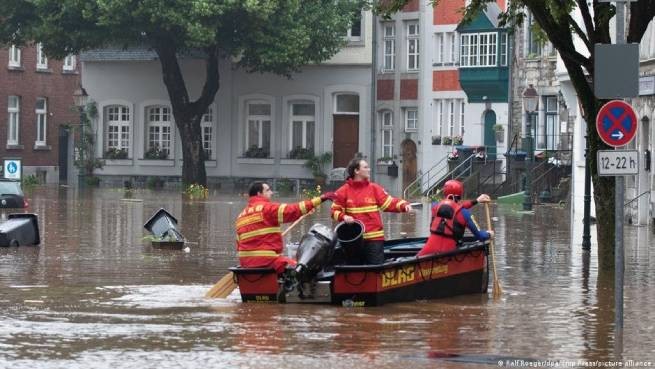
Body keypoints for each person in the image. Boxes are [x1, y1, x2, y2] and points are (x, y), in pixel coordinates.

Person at [236, 181, 335, 274]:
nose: (271, 192)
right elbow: (293, 210)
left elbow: (239, 243)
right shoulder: (267, 208)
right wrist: (320, 199)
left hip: (245, 263)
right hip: (266, 261)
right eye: (268, 190)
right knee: (301, 269)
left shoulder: (240, 216)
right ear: (259, 193)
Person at [331, 158, 412, 265]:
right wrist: (344, 217)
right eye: (365, 167)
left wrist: (403, 205)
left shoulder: (374, 188)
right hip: (354, 242)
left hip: (374, 240)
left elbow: (388, 203)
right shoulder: (343, 191)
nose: (369, 169)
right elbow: (334, 212)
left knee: (375, 271)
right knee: (355, 270)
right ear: (356, 171)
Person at [418, 179, 494, 257]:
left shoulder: (434, 206)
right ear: (460, 194)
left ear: (444, 193)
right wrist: (489, 234)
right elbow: (480, 236)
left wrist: (477, 201)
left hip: (426, 252)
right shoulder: (464, 213)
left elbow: (455, 206)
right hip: (448, 253)